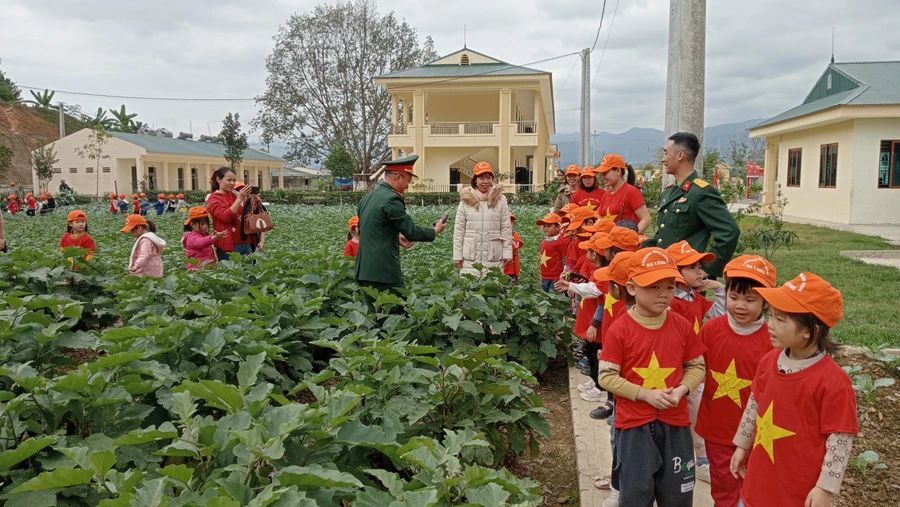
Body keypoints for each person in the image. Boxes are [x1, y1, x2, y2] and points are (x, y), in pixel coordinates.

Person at [731, 273, 857, 507]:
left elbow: (840, 439)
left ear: (811, 330)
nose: (770, 324)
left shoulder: (833, 381)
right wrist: (742, 445)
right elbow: (754, 405)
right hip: (757, 483)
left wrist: (825, 488)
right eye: (771, 315)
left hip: (796, 492)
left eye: (781, 319)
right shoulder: (768, 361)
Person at [598, 247, 706, 507]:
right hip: (634, 426)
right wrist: (645, 394)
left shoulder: (680, 325)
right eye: (654, 287)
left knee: (678, 494)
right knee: (635, 493)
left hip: (676, 423)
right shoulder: (620, 329)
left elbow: (697, 366)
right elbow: (606, 376)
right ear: (632, 288)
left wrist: (681, 390)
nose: (664, 294)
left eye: (669, 287)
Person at [693, 255, 776, 507]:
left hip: (762, 434)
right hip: (717, 428)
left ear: (766, 302)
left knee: (757, 489)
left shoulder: (774, 340)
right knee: (725, 489)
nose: (741, 305)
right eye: (734, 297)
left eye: (750, 300)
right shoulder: (711, 329)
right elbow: (695, 367)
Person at [643, 132, 740, 278]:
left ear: (680, 155)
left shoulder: (701, 192)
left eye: (666, 153)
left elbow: (729, 232)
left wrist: (707, 269)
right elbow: (665, 235)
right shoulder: (669, 193)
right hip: (666, 273)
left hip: (688, 279)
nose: (663, 159)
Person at [355, 154, 445, 297]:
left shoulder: (366, 199)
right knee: (397, 314)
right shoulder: (392, 199)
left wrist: (396, 237)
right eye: (408, 181)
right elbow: (412, 232)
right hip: (383, 271)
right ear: (398, 177)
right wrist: (435, 230)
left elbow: (370, 229)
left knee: (377, 315)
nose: (408, 186)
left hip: (363, 271)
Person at [453, 161, 513, 278]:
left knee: (493, 290)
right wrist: (457, 255)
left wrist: (507, 253)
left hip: (493, 255)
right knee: (470, 291)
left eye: (488, 177)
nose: (485, 182)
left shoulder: (501, 200)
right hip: (470, 256)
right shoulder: (465, 200)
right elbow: (459, 230)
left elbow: (506, 228)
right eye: (481, 178)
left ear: (492, 179)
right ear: (475, 180)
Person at [207, 167, 253, 262]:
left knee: (250, 274)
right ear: (218, 179)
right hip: (228, 245)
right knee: (231, 275)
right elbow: (225, 217)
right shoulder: (214, 198)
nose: (232, 183)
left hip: (245, 242)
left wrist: (254, 203)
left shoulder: (236, 195)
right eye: (228, 180)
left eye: (234, 180)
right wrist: (239, 199)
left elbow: (247, 216)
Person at [597, 154, 652, 233]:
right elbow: (600, 219)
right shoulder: (605, 195)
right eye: (601, 173)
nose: (602, 176)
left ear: (618, 171)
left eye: (605, 172)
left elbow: (646, 219)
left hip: (624, 243)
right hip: (607, 242)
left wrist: (630, 238)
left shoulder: (631, 191)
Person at [182, 206, 227, 270]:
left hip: (206, 269)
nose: (205, 226)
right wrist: (214, 238)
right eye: (202, 224)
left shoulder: (205, 235)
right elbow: (201, 242)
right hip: (196, 270)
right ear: (192, 224)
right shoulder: (191, 237)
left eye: (206, 224)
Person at [536, 212, 565, 293]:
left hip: (556, 277)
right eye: (544, 226)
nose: (546, 228)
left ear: (558, 227)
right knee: (545, 298)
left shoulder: (561, 242)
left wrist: (563, 275)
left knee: (554, 300)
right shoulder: (543, 242)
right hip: (544, 276)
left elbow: (564, 259)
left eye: (549, 226)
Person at [503, 213, 522, 285]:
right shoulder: (496, 236)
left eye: (510, 222)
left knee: (511, 290)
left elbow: (515, 246)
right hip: (500, 269)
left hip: (512, 271)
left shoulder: (515, 236)